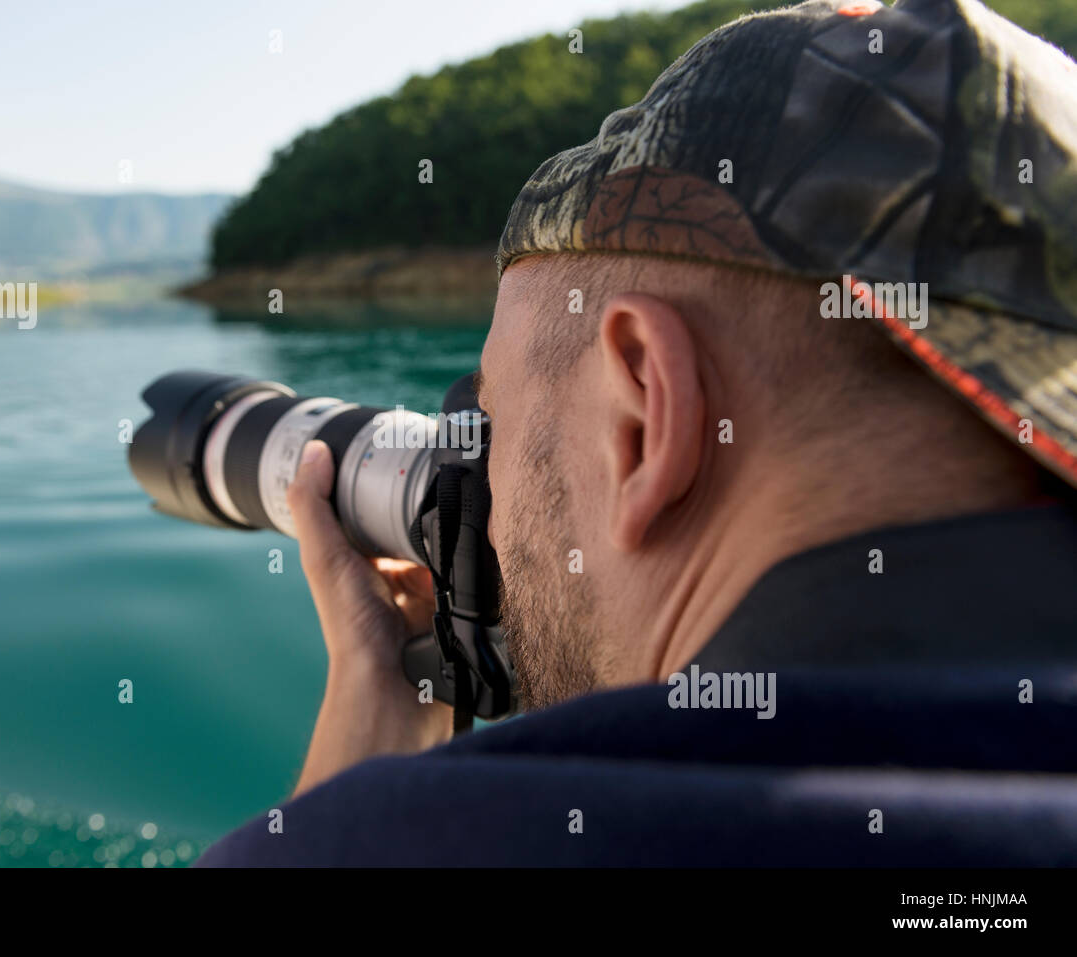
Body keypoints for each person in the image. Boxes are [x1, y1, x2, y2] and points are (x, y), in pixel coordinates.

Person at [196, 0, 1077, 865]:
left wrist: (355, 800)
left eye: (489, 418)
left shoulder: (437, 838)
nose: (475, 480)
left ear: (644, 419)